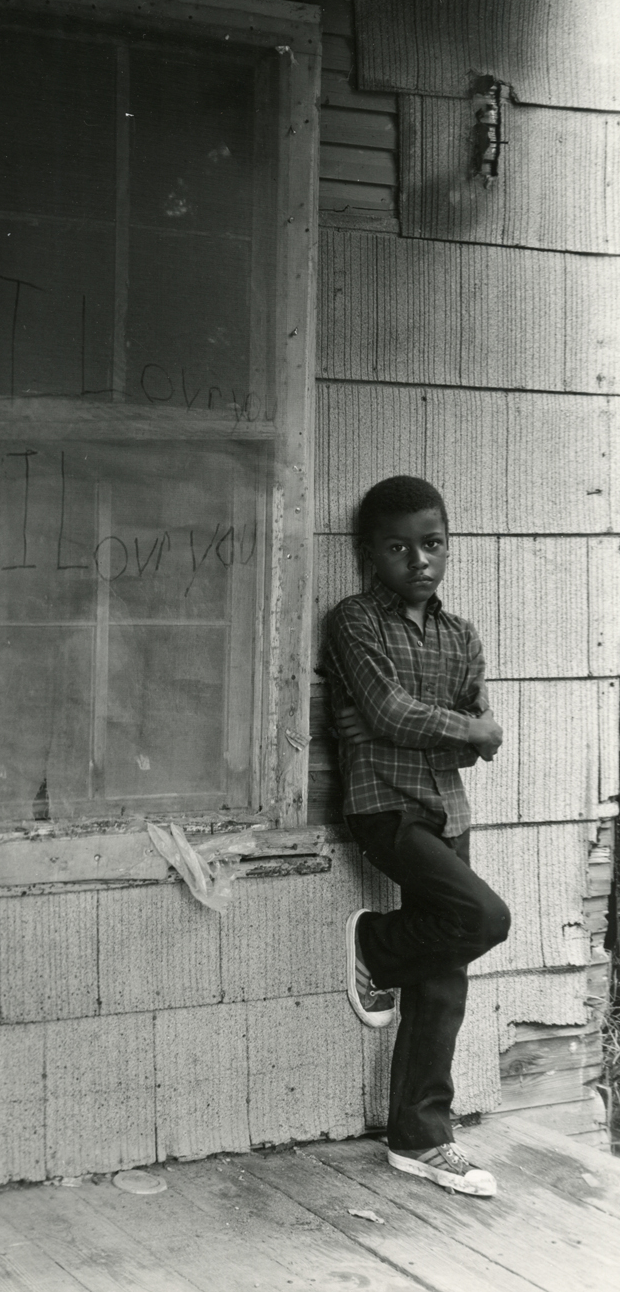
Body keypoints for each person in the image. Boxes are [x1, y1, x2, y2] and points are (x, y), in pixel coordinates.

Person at [326, 474, 510, 1199]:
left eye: (431, 544)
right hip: (384, 809)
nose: (418, 560)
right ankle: (373, 943)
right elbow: (389, 712)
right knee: (483, 917)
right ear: (371, 553)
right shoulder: (355, 621)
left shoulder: (461, 635)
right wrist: (455, 728)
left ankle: (420, 1137)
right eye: (398, 548)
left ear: (448, 545)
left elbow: (473, 743)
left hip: (446, 811)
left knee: (444, 976)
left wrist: (448, 730)